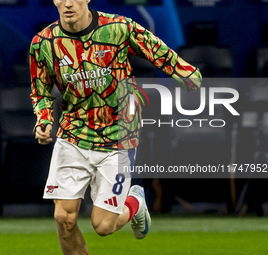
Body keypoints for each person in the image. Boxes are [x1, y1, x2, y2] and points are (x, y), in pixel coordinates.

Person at [30, 0, 202, 254]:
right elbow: (41, 90)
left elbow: (156, 49)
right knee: (63, 218)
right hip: (72, 135)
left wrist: (185, 73)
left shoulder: (118, 28)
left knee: (103, 225)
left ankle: (134, 203)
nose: (68, 4)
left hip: (118, 136)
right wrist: (43, 120)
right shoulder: (43, 43)